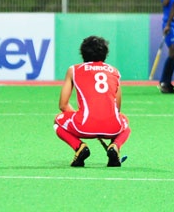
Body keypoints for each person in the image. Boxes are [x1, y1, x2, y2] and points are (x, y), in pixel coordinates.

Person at [54, 36, 131, 167]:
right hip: (112, 128)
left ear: (83, 53)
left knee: (57, 121)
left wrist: (83, 118)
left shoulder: (74, 70)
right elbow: (116, 108)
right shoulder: (115, 72)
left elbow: (63, 105)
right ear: (105, 54)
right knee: (125, 123)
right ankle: (115, 146)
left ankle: (79, 147)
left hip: (83, 126)